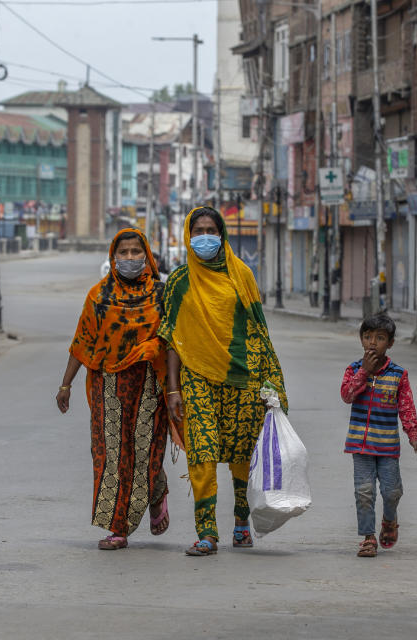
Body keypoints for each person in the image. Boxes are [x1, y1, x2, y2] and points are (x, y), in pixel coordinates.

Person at [158, 206, 288, 557]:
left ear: (222, 234)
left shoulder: (241, 275)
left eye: (211, 230)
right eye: (197, 230)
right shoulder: (179, 282)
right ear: (188, 234)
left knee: (242, 455)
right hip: (196, 377)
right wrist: (172, 388)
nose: (204, 236)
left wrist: (269, 382)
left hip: (243, 378)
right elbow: (171, 338)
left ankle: (242, 523)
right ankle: (207, 533)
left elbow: (258, 331)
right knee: (201, 452)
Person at [56, 228, 171, 551]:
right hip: (109, 384)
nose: (131, 258)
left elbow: (173, 342)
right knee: (111, 455)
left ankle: (155, 489)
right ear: (113, 257)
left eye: (137, 252)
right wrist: (66, 384)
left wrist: (173, 387)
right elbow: (82, 341)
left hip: (150, 383)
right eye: (124, 253)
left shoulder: (162, 295)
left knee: (144, 452)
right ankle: (118, 527)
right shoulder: (99, 295)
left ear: (147, 256)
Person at [340, 312, 417, 558]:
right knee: (364, 493)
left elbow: (406, 407)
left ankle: (389, 519)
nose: (372, 343)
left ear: (390, 343)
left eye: (380, 338)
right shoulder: (354, 369)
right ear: (361, 340)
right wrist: (363, 373)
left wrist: (413, 435)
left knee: (392, 491)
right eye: (367, 337)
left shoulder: (398, 374)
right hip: (360, 447)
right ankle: (368, 538)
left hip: (387, 448)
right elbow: (347, 395)